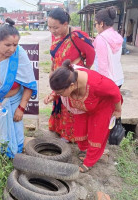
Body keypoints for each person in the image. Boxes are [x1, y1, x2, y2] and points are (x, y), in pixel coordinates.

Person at [44, 59, 122, 172]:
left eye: (60, 93)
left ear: (71, 86)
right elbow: (60, 89)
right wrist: (53, 95)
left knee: (97, 134)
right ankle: (84, 149)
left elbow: (115, 92)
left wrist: (118, 110)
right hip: (84, 105)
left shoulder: (96, 84)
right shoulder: (68, 76)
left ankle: (89, 161)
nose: (60, 95)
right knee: (80, 129)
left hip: (103, 106)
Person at [0, 18, 37, 158]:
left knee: (16, 136)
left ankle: (14, 156)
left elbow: (29, 83)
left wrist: (21, 107)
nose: (12, 49)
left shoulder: (19, 53)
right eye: (7, 45)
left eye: (15, 44)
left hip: (14, 102)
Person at [46, 7, 95, 139]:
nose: (52, 31)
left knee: (71, 105)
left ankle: (71, 136)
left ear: (65, 24)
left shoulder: (77, 36)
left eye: (55, 27)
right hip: (58, 75)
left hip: (71, 77)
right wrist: (52, 69)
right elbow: (54, 55)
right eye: (49, 27)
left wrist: (85, 69)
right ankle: (60, 130)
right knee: (60, 102)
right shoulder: (54, 36)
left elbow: (91, 53)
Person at [93, 7, 124, 88]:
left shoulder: (101, 38)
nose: (95, 27)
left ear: (101, 24)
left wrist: (101, 85)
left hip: (108, 82)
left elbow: (103, 65)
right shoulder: (117, 35)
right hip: (119, 78)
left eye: (95, 24)